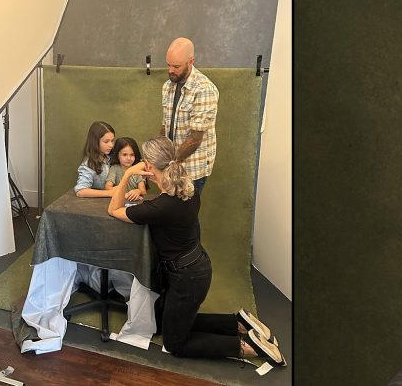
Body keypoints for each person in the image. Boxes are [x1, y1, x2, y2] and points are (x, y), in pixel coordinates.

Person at [107, 137, 283, 365]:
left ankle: (247, 347)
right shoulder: (187, 191)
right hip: (196, 269)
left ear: (148, 165)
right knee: (162, 321)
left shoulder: (159, 207)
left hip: (186, 279)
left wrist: (129, 174)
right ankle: (239, 323)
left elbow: (114, 209)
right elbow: (167, 192)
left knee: (174, 344)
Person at [160, 37, 218, 196]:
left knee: (187, 216)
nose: (171, 70)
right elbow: (165, 125)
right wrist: (159, 153)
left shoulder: (203, 89)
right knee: (172, 214)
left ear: (191, 61)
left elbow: (195, 138)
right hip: (173, 163)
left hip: (193, 167)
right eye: (168, 65)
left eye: (176, 66)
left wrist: (171, 161)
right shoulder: (168, 86)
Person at [74, 121, 116, 197]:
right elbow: (80, 191)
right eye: (106, 142)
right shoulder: (88, 164)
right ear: (95, 142)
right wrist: (110, 193)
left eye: (112, 141)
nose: (111, 145)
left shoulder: (112, 157)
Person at [105, 137, 148, 204]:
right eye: (124, 155)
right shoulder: (114, 168)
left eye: (132, 155)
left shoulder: (137, 170)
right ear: (117, 155)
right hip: (118, 202)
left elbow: (143, 191)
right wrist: (120, 191)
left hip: (134, 203)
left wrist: (137, 191)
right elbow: (108, 187)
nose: (128, 158)